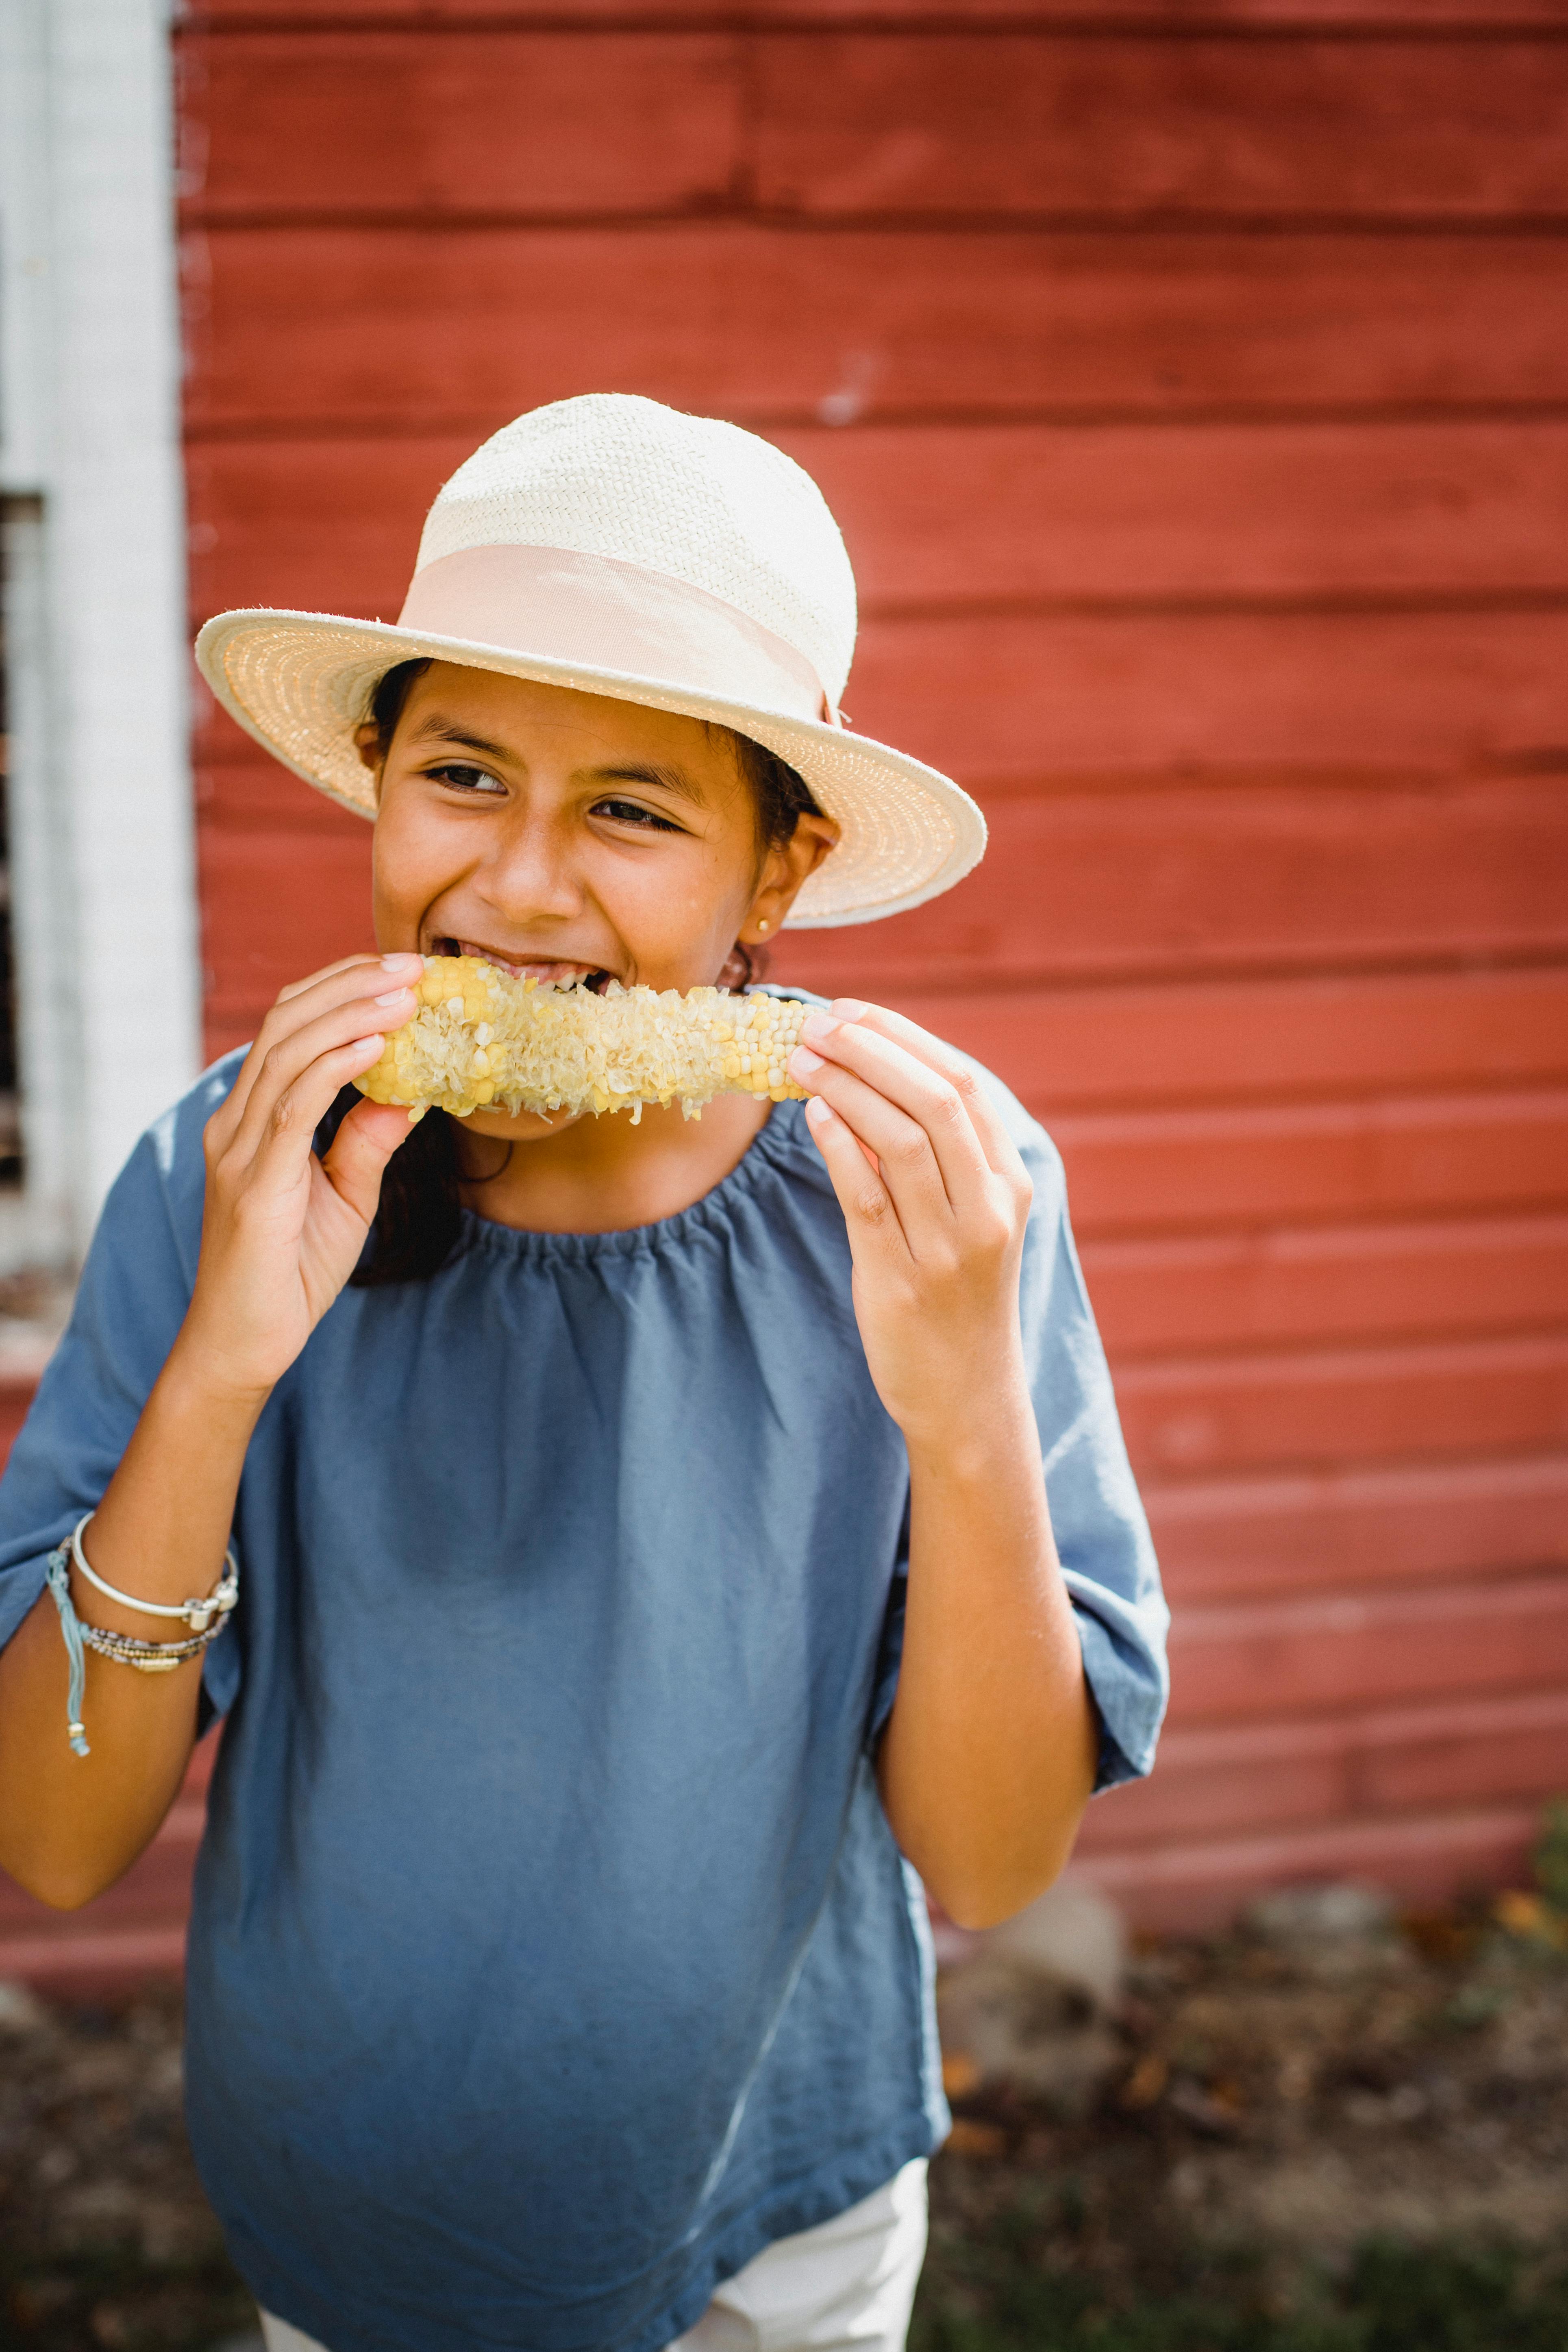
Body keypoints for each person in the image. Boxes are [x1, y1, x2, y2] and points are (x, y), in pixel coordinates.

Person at [0, 395, 1168, 2352]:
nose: (521, 887)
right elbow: (51, 1835)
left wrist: (964, 1407)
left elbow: (988, 1859)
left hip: (775, 2211)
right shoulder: (220, 1171)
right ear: (374, 778)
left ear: (772, 875)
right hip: (357, 2199)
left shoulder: (934, 1192)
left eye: (631, 808)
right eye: (461, 774)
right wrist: (222, 1364)